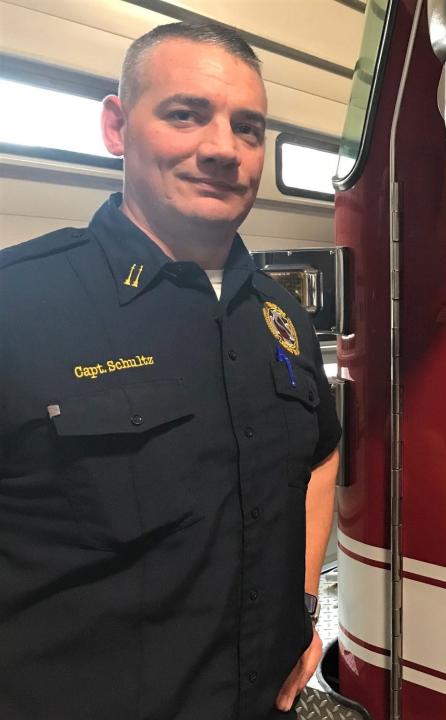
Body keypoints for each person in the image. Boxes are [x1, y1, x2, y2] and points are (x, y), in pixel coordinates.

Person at [0, 22, 340, 719]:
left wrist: (302, 603)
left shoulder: (283, 316)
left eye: (248, 128)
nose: (221, 148)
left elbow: (323, 453)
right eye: (185, 115)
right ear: (117, 127)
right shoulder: (18, 304)